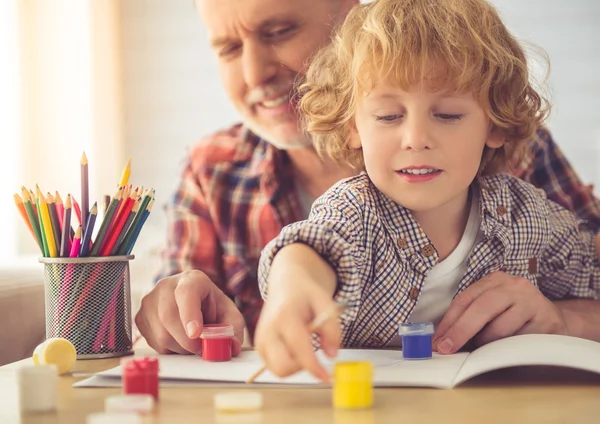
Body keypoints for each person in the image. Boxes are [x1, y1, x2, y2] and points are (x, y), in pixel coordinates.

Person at [134, 0, 600, 357]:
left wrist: (563, 319)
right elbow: (313, 247)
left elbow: (588, 270)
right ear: (353, 123)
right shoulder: (350, 205)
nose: (416, 138)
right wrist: (290, 294)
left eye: (279, 30)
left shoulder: (524, 208)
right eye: (229, 49)